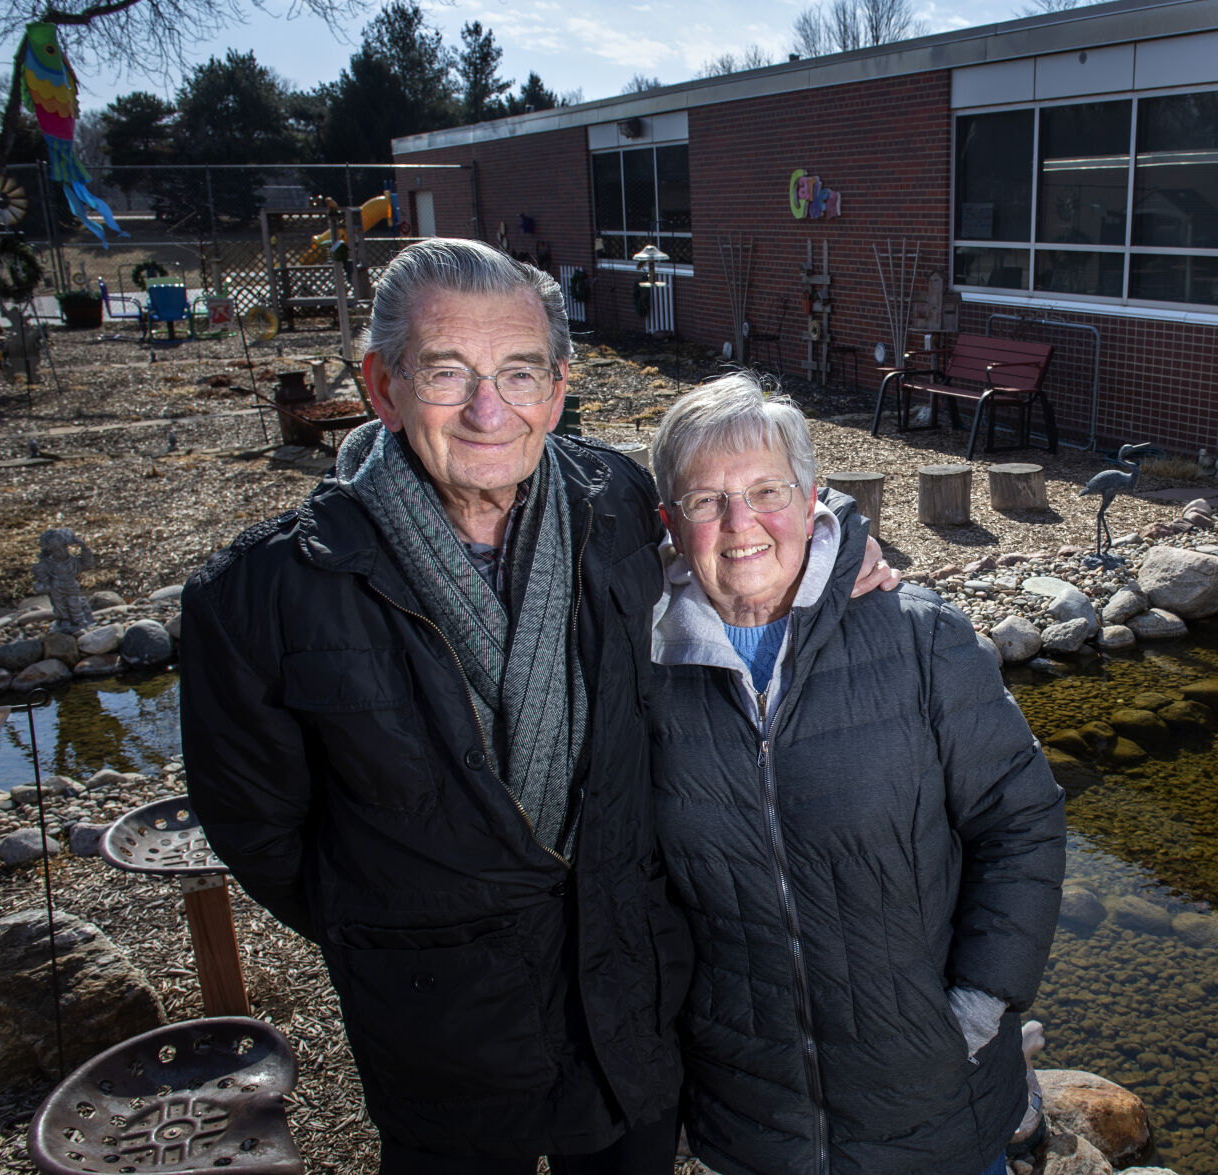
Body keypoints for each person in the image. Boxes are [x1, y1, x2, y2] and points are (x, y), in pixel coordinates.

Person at [177, 239, 892, 1174]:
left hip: (627, 994)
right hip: (438, 1021)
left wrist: (846, 546)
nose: (488, 408)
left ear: (557, 390)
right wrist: (398, 922)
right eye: (446, 372)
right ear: (381, 387)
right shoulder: (259, 594)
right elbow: (261, 830)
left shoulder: (621, 504)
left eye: (518, 373)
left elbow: (745, 516)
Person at [646, 374, 1067, 1175]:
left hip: (934, 1105)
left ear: (812, 501)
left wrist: (978, 1003)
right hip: (753, 1118)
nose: (741, 525)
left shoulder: (917, 636)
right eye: (705, 500)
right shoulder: (639, 668)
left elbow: (1019, 821)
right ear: (670, 522)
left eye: (767, 490)